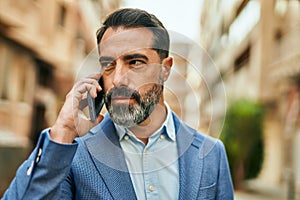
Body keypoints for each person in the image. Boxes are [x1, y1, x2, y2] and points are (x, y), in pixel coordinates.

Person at [3, 8, 234, 199]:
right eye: (108, 64)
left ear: (165, 70)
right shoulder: (73, 152)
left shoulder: (211, 154)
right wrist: (63, 132)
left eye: (134, 62)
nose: (118, 79)